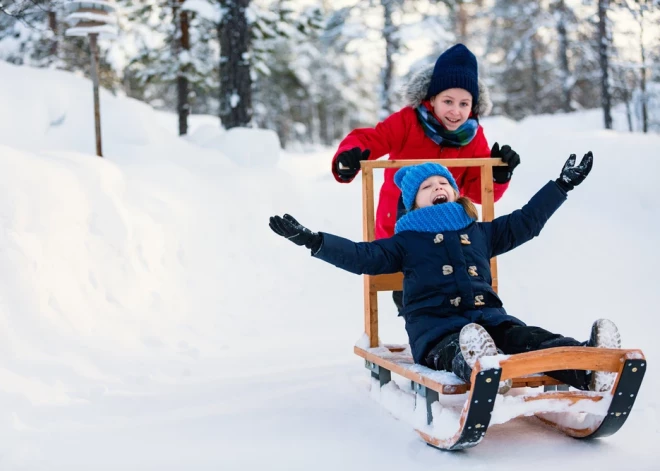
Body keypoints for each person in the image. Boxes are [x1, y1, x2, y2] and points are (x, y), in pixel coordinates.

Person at [270, 153, 622, 394]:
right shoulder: (404, 241)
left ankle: (588, 365)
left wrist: (561, 185)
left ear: (454, 192)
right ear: (413, 202)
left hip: (490, 321)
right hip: (436, 331)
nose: (438, 187)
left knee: (527, 337)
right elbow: (363, 256)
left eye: (443, 183)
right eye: (427, 187)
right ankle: (482, 371)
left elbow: (526, 222)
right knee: (458, 348)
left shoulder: (479, 230)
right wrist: (313, 241)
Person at [330, 43, 521, 312]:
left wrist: (498, 175)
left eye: (464, 103)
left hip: (449, 233)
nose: (456, 111)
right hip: (400, 227)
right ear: (431, 99)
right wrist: (348, 158)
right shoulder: (407, 121)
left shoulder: (473, 136)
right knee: (412, 294)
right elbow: (371, 139)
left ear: (473, 106)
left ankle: (467, 338)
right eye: (448, 101)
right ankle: (430, 338)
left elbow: (479, 192)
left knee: (456, 289)